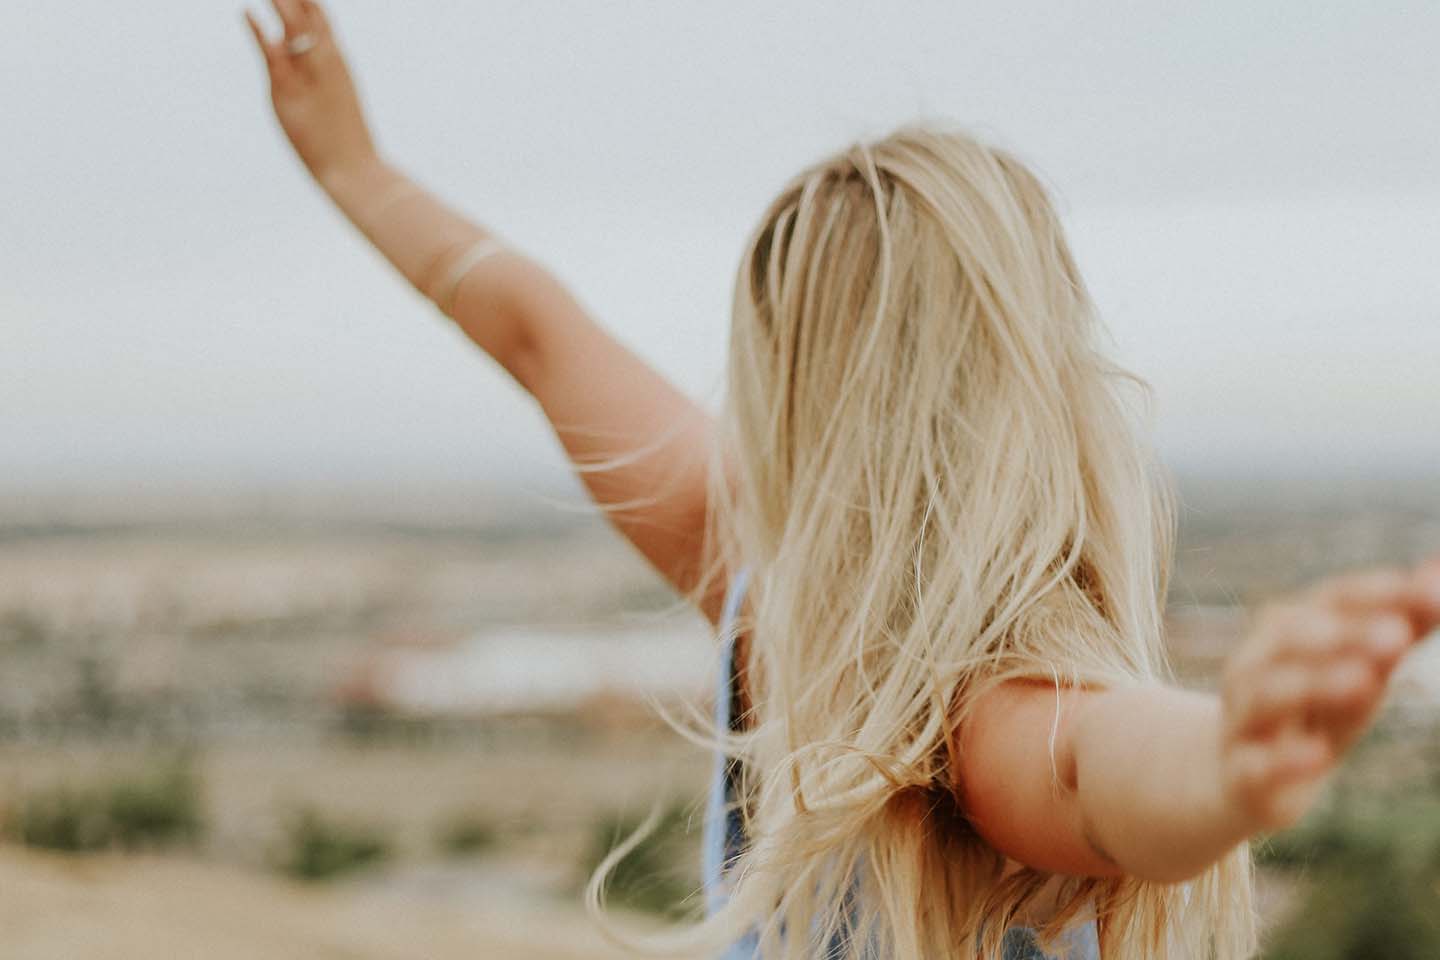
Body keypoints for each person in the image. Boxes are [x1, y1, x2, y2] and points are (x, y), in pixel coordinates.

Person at [244, 4, 1440, 958]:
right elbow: (1086, 773)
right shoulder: (869, 645)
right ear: (1037, 382)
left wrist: (357, 168)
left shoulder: (857, 640)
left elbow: (1095, 768)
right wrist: (1224, 759)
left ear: (792, 385)